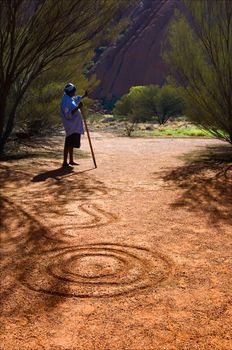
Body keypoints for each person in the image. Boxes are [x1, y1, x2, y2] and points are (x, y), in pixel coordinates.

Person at [60, 83, 87, 167]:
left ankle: (71, 160)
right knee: (68, 143)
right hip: (70, 125)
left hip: (74, 125)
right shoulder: (65, 101)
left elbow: (76, 98)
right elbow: (67, 114)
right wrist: (78, 108)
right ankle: (65, 162)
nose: (74, 93)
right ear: (69, 92)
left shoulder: (70, 98)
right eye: (73, 92)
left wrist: (84, 96)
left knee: (71, 144)